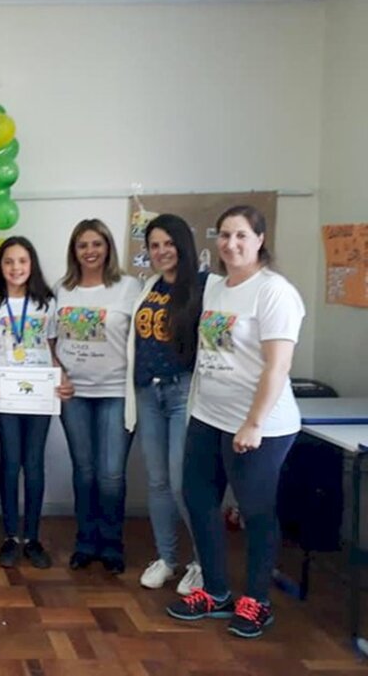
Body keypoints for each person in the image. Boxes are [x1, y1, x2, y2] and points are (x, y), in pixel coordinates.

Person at [167, 205, 304, 639]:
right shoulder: (217, 288)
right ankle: (217, 591)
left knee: (256, 510)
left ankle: (257, 601)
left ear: (260, 239)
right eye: (225, 235)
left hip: (260, 423)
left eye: (242, 235)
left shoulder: (275, 292)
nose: (231, 244)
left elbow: (277, 367)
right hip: (209, 416)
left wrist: (254, 422)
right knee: (197, 498)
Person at [54, 218, 141, 575]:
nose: (90, 251)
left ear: (108, 247)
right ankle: (85, 542)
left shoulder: (130, 287)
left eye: (97, 244)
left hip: (116, 392)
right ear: (74, 252)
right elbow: (49, 340)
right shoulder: (62, 289)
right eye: (82, 245)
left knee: (111, 475)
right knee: (84, 471)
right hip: (73, 393)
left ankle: (112, 543)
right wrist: (58, 371)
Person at [125, 214, 205, 595]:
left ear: (182, 245)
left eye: (168, 243)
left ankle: (203, 562)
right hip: (147, 392)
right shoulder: (149, 287)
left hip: (183, 393)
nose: (161, 252)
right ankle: (167, 558)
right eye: (154, 246)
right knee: (156, 482)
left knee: (179, 482)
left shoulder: (205, 287)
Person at [0, 237, 65, 570]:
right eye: (9, 262)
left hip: (41, 393)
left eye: (22, 262)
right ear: (0, 267)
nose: (16, 268)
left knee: (34, 463)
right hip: (6, 393)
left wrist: (63, 379)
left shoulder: (47, 303)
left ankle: (32, 537)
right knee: (10, 460)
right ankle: (10, 536)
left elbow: (54, 346)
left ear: (32, 266)